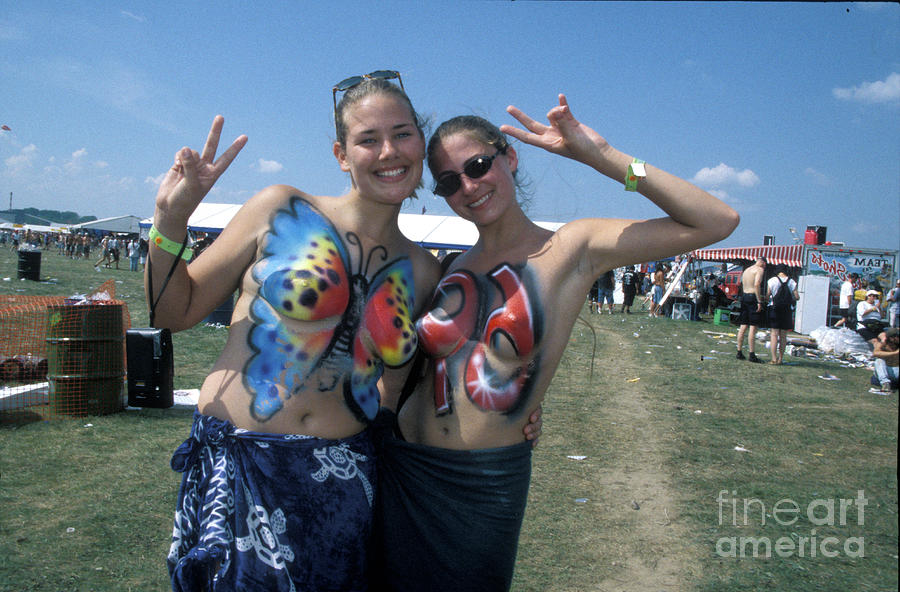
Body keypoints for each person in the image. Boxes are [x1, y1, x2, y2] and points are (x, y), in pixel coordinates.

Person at [371, 94, 739, 591]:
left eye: (478, 166)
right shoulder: (449, 268)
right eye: (450, 181)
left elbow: (715, 220)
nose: (469, 186)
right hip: (400, 469)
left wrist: (599, 155)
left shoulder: (570, 249)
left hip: (478, 488)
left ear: (510, 157)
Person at [151, 76, 445, 592]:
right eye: (368, 139)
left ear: (421, 142)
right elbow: (174, 311)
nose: (389, 151)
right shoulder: (280, 207)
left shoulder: (422, 271)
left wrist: (519, 415)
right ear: (341, 154)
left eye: (402, 134)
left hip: (341, 485)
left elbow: (407, 388)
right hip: (239, 470)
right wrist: (170, 219)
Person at [765, 264, 799, 365]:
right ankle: (780, 359)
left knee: (774, 334)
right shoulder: (792, 281)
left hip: (775, 309)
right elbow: (797, 297)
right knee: (783, 336)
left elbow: (767, 296)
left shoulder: (771, 281)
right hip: (787, 310)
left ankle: (774, 358)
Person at [735, 257, 766, 363]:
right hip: (753, 297)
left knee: (743, 326)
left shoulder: (747, 270)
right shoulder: (759, 270)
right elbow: (757, 284)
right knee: (753, 327)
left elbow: (742, 284)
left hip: (744, 296)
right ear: (762, 262)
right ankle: (752, 354)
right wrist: (759, 301)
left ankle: (739, 352)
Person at [871, 328, 899, 393]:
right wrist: (894, 353)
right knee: (879, 361)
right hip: (884, 371)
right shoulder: (882, 344)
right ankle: (885, 383)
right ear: (892, 338)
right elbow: (875, 353)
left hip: (896, 371)